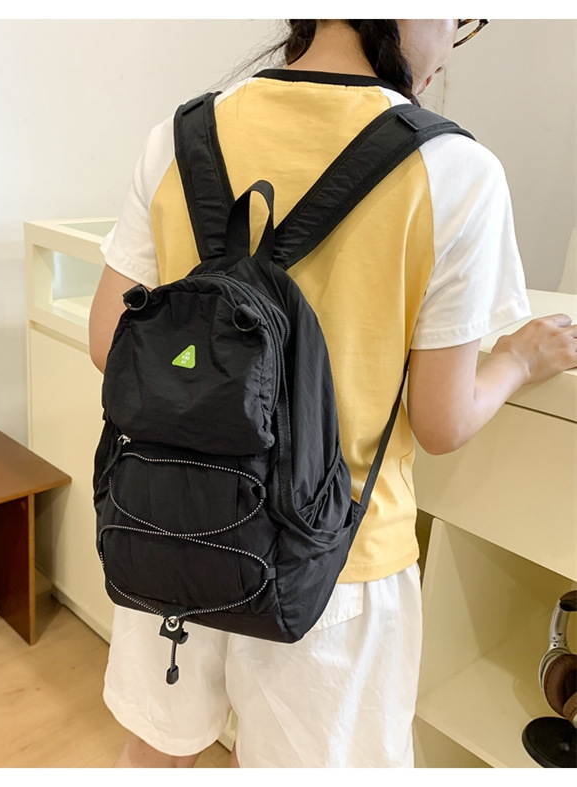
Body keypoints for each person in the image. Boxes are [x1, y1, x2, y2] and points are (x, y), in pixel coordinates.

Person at [88, 20, 577, 768]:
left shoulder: (181, 137)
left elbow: (108, 342)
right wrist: (516, 358)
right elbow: (440, 420)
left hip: (167, 524)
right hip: (334, 564)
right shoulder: (455, 169)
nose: (452, 41)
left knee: (155, 754)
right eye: (459, 19)